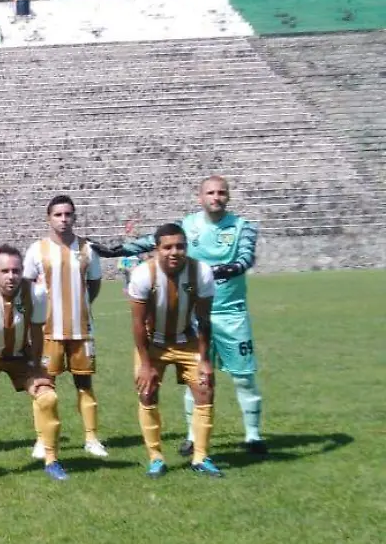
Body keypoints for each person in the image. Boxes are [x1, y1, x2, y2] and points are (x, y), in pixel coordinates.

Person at [95, 176, 266, 455]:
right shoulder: (187, 225)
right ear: (200, 197)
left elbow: (246, 259)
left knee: (243, 376)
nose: (216, 197)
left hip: (231, 313)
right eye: (210, 192)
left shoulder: (243, 227)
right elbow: (151, 241)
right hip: (193, 316)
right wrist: (114, 251)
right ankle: (192, 436)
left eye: (221, 192)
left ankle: (253, 436)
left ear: (228, 196)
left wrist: (222, 270)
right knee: (194, 377)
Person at [127, 223, 224, 478]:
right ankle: (155, 458)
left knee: (205, 389)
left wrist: (205, 360)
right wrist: (145, 364)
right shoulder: (143, 274)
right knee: (147, 393)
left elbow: (204, 319)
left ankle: (200, 457)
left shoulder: (200, 272)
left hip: (187, 340)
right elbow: (137, 323)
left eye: (180, 246)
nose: (174, 252)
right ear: (156, 249)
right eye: (167, 247)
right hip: (153, 342)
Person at [0, 245, 69, 483]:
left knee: (48, 398)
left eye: (16, 270)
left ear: (23, 271)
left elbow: (37, 334)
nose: (11, 276)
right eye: (5, 271)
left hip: (22, 355)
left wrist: (37, 368)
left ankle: (52, 460)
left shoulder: (36, 293)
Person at [23, 195, 109, 459]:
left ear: (74, 217)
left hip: (81, 329)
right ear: (49, 218)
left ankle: (91, 438)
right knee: (44, 386)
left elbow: (94, 283)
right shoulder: (37, 250)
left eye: (68, 214)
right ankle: (42, 439)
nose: (63, 219)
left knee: (84, 383)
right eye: (58, 215)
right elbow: (26, 287)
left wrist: (81, 304)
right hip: (48, 330)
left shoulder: (87, 249)